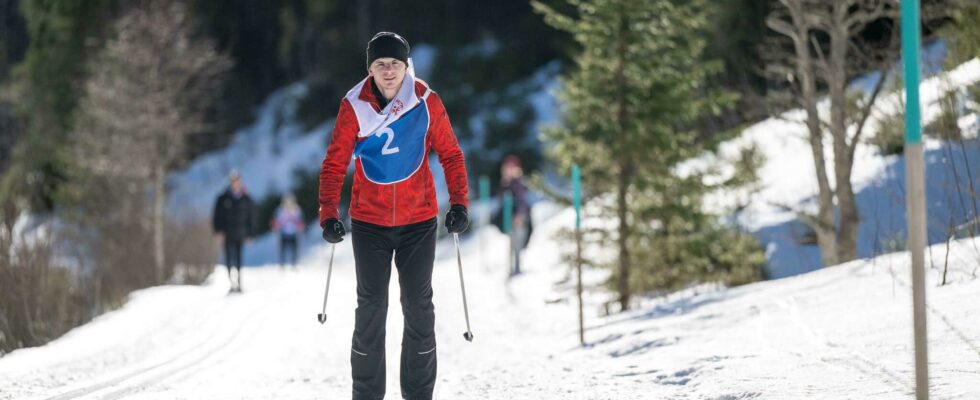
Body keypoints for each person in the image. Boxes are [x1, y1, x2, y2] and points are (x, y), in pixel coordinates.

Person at [318, 31, 469, 400]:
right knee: (371, 309)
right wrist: (328, 214)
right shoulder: (354, 105)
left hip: (418, 223)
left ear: (406, 66)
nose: (388, 72)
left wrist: (460, 204)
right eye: (380, 64)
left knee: (418, 307)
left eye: (395, 64)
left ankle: (418, 395)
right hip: (370, 223)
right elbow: (335, 163)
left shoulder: (426, 101)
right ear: (370, 68)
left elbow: (451, 154)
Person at [212, 170, 255, 293]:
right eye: (233, 180)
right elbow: (217, 216)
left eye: (237, 180)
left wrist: (250, 233)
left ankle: (239, 283)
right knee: (229, 259)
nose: (235, 183)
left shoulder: (246, 198)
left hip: (240, 233)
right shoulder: (222, 198)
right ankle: (232, 283)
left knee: (239, 258)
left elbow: (251, 217)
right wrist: (218, 231)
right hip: (227, 233)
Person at [497, 155, 532, 276]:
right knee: (511, 242)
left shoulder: (519, 183)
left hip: (519, 218)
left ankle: (516, 268)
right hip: (509, 217)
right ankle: (511, 268)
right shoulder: (506, 183)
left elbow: (523, 201)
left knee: (517, 243)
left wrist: (519, 216)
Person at [271, 193, 305, 268]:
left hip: (293, 233)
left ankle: (294, 263)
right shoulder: (280, 210)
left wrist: (300, 226)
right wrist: (276, 226)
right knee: (283, 249)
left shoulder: (297, 210)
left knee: (294, 249)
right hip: (284, 232)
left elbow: (300, 220)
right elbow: (277, 221)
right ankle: (282, 264)